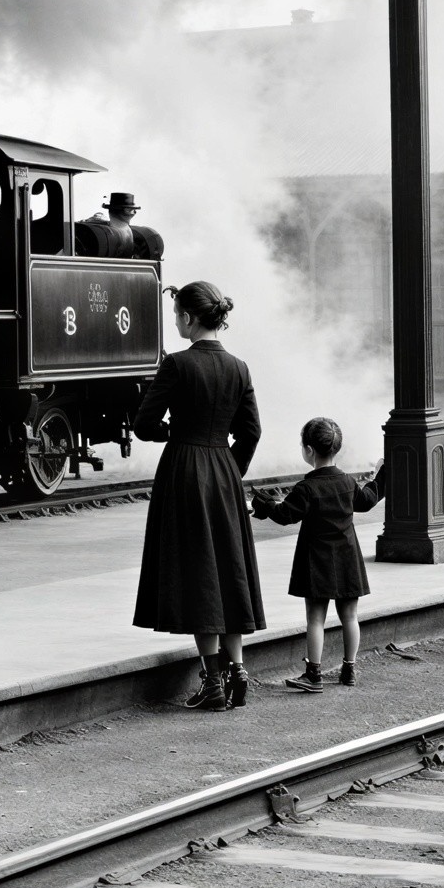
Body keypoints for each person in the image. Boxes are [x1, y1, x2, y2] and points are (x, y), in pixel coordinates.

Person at [131, 280, 265, 712]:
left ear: (188, 317)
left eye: (176, 316)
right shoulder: (239, 367)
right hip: (223, 469)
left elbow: (144, 423)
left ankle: (211, 680)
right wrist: (230, 470)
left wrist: (174, 433)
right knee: (227, 568)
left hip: (185, 472)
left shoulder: (177, 365)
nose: (175, 322)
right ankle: (239, 669)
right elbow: (251, 432)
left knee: (198, 575)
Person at [252, 418, 381, 693]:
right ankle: (349, 669)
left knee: (315, 618)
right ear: (337, 448)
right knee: (350, 615)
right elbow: (367, 500)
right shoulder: (347, 482)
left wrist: (264, 505)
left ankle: (314, 673)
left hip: (317, 561)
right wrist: (381, 476)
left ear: (309, 450)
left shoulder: (306, 488)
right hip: (347, 558)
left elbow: (285, 514)